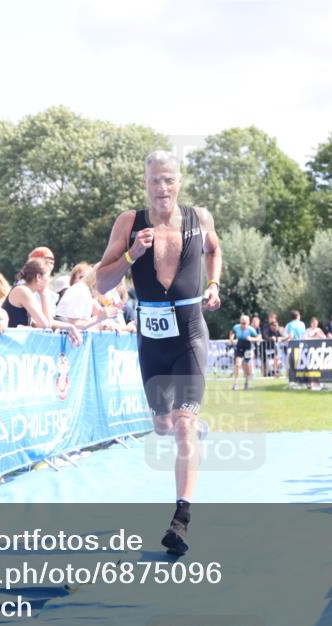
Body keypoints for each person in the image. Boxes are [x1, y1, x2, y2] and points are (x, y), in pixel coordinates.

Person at [94, 150, 222, 557]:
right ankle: (184, 425)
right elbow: (101, 281)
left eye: (169, 180)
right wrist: (132, 255)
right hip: (151, 337)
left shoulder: (199, 218)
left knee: (184, 425)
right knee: (163, 426)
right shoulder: (129, 222)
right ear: (145, 183)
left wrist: (214, 284)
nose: (162, 188)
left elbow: (214, 250)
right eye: (155, 181)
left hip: (189, 331)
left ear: (179, 181)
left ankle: (180, 520)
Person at [3, 259, 82, 344]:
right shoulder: (23, 291)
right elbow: (44, 325)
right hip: (8, 345)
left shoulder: (26, 291)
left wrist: (70, 327)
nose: (50, 280)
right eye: (48, 276)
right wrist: (44, 294)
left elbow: (47, 322)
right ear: (38, 277)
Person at [228, 314, 260, 390]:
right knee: (237, 364)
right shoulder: (236, 327)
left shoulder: (251, 329)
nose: (243, 325)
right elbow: (232, 332)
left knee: (246, 366)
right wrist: (231, 339)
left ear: (248, 323)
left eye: (245, 323)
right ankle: (235, 383)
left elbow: (259, 337)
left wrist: (251, 339)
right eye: (242, 323)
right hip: (239, 346)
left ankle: (246, 383)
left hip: (248, 347)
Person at [262, 312, 284, 377]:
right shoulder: (266, 326)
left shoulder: (276, 325)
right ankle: (265, 373)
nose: (273, 320)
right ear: (269, 318)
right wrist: (270, 338)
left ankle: (275, 371)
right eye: (272, 318)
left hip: (273, 345)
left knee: (276, 357)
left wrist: (280, 336)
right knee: (264, 360)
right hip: (265, 345)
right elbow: (264, 335)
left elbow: (278, 334)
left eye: (274, 318)